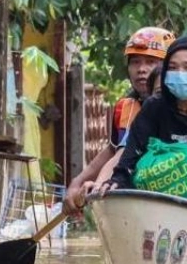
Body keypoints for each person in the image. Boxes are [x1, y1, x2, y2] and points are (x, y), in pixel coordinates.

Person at [64, 26, 175, 213]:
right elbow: (114, 150)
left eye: (151, 62)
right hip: (129, 196)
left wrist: (98, 185)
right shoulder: (125, 107)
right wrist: (78, 182)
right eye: (136, 62)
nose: (142, 69)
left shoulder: (180, 105)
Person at [97, 36, 187, 194]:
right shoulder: (154, 108)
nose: (180, 74)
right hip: (164, 204)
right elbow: (129, 155)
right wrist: (117, 181)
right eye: (173, 67)